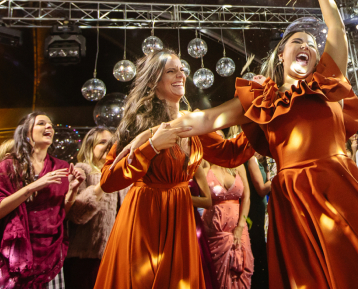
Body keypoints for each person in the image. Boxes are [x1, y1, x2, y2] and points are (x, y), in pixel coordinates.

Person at [122, 0, 358, 288]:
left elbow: (337, 28)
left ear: (317, 59)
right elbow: (206, 119)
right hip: (294, 198)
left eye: (312, 45)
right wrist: (152, 134)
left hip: (340, 185)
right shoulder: (259, 100)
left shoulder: (327, 81)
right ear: (282, 55)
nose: (306, 46)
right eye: (296, 42)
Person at [94, 50, 255, 289]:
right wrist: (150, 147)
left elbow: (230, 154)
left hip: (180, 218)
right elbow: (108, 181)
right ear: (153, 81)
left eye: (182, 69)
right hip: (144, 218)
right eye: (171, 70)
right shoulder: (137, 123)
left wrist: (262, 118)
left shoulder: (193, 122)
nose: (181, 75)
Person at [0, 112, 84, 289]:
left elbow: (59, 214)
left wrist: (72, 191)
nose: (49, 127)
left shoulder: (61, 167)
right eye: (42, 123)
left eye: (50, 125)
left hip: (49, 255)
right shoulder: (8, 166)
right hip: (12, 256)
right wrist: (32, 187)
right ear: (27, 133)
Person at [64, 127, 126, 289]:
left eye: (112, 143)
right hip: (87, 258)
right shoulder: (82, 171)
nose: (109, 146)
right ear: (90, 148)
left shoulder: (125, 175)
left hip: (120, 257)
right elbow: (76, 215)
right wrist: (103, 184)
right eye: (102, 142)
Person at [202, 154, 253, 289]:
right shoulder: (204, 167)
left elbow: (247, 197)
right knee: (214, 276)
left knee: (242, 272)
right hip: (214, 232)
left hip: (238, 228)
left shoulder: (238, 166)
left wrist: (240, 227)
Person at [189, 158, 217, 289]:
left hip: (192, 223)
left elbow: (207, 201)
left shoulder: (195, 168)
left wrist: (181, 195)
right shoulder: (163, 169)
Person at [244, 152, 271, 287]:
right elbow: (261, 189)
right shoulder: (251, 160)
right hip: (256, 209)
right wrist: (275, 179)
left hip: (259, 208)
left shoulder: (257, 161)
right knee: (258, 244)